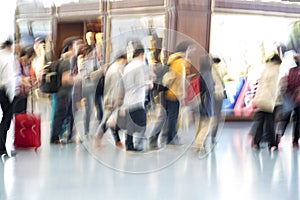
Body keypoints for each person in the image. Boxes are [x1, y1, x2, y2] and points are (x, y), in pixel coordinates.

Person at [50, 36, 83, 144]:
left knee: (70, 114)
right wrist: (78, 78)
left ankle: (70, 136)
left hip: (67, 93)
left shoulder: (70, 60)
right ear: (70, 47)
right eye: (77, 45)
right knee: (60, 116)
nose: (79, 47)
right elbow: (65, 80)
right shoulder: (66, 62)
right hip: (63, 94)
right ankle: (54, 138)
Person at [161, 41, 192, 145]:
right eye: (188, 50)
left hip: (168, 91)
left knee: (171, 115)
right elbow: (181, 80)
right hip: (175, 93)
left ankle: (169, 135)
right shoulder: (181, 63)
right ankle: (171, 138)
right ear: (185, 51)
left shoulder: (173, 59)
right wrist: (182, 93)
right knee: (173, 117)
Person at [94, 52, 127, 147]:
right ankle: (98, 138)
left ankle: (117, 141)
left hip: (109, 97)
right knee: (108, 121)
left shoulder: (112, 68)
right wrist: (117, 99)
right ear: (122, 60)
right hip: (113, 99)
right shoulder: (116, 70)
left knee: (112, 121)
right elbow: (116, 86)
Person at [250, 53, 282, 151]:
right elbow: (273, 88)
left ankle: (256, 142)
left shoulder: (266, 69)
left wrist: (256, 99)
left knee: (260, 122)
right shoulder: (276, 71)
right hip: (269, 101)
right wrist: (274, 100)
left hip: (261, 99)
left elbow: (260, 86)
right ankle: (272, 143)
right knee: (270, 123)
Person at [122, 43, 148, 151]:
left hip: (128, 98)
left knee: (130, 124)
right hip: (137, 99)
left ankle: (129, 144)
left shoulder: (128, 66)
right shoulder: (139, 66)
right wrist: (148, 83)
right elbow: (140, 83)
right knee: (142, 123)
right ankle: (138, 144)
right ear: (142, 54)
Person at [0, 39, 18, 155]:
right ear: (10, 46)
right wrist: (12, 96)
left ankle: (2, 147)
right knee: (6, 120)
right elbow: (8, 81)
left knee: (4, 119)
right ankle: (1, 147)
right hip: (4, 92)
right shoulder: (7, 59)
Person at [210, 55, 226, 144]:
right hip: (219, 95)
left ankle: (208, 135)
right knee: (216, 115)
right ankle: (213, 136)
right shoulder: (219, 70)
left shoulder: (208, 70)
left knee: (211, 115)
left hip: (211, 94)